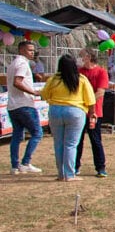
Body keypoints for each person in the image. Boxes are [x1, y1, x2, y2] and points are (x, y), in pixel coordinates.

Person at [40, 53, 96, 181]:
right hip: (75, 111)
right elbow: (90, 99)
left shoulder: (54, 79)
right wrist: (92, 113)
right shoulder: (81, 79)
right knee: (70, 144)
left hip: (55, 110)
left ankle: (61, 174)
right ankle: (70, 174)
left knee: (58, 143)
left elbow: (44, 94)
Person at [7, 40, 44, 175]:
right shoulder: (22, 63)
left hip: (13, 105)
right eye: (29, 50)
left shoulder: (13, 63)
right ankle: (25, 162)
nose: (32, 53)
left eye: (33, 50)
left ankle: (14, 165)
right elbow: (17, 82)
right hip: (24, 104)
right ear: (22, 50)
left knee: (17, 135)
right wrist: (33, 92)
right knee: (37, 133)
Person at [76, 48, 109, 178]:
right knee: (78, 140)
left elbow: (101, 92)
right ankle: (75, 166)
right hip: (79, 111)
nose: (80, 58)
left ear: (88, 57)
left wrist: (88, 102)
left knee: (95, 140)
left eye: (82, 56)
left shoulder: (101, 72)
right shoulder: (79, 72)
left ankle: (100, 167)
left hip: (94, 112)